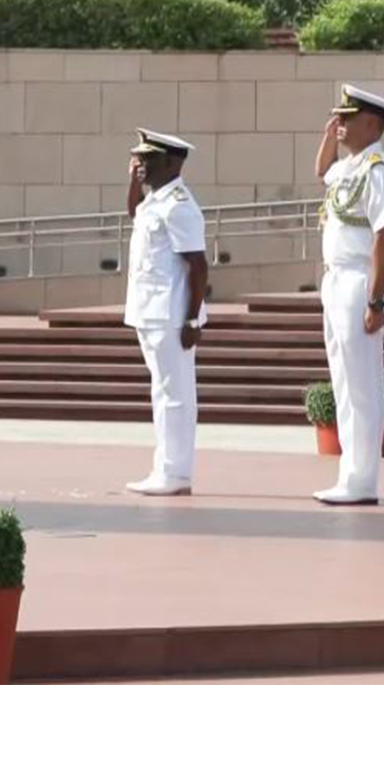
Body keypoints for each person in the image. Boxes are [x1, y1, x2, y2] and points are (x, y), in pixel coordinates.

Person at [312, 84, 384, 506]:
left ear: (372, 124)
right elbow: (321, 171)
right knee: (343, 381)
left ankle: (363, 479)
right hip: (335, 281)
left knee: (362, 384)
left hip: (358, 283)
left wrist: (376, 299)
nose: (340, 124)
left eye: (346, 119)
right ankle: (350, 472)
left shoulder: (379, 171)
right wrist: (330, 137)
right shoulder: (351, 166)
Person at [122, 128, 210, 495]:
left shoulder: (179, 207)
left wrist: (192, 319)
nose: (141, 164)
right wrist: (133, 182)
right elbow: (133, 212)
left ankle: (175, 473)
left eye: (149, 159)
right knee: (163, 393)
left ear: (173, 163)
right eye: (138, 158)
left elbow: (198, 266)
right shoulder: (155, 201)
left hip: (171, 316)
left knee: (175, 396)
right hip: (150, 311)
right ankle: (165, 468)